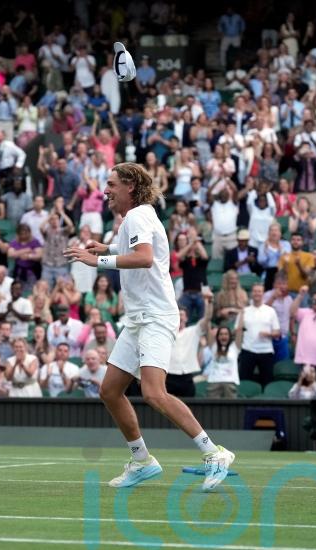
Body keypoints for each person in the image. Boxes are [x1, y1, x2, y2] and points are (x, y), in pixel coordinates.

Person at [65, 162, 234, 492]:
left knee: (154, 393)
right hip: (138, 318)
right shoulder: (138, 216)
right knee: (110, 390)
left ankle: (214, 453)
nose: (106, 191)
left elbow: (144, 257)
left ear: (130, 185)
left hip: (156, 316)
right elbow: (140, 250)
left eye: (112, 184)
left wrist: (97, 261)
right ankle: (141, 460)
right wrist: (108, 248)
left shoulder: (138, 216)